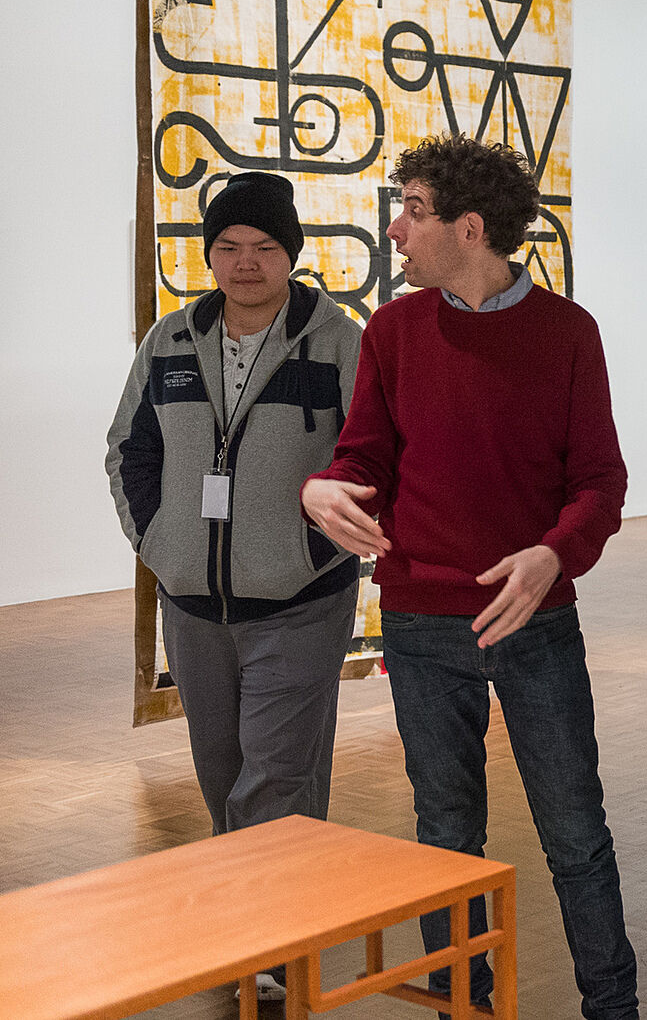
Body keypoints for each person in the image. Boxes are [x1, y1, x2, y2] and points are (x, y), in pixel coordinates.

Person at [302, 137, 637, 1020]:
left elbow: (600, 479)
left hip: (534, 618)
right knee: (445, 841)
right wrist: (323, 485)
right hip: (421, 621)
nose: (396, 229)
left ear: (470, 226)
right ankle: (466, 1007)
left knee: (576, 836)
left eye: (412, 208)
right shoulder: (394, 331)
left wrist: (555, 551)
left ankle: (614, 1007)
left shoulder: (569, 332)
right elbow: (363, 452)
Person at [105, 172, 363, 1001]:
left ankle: (274, 938)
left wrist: (318, 547)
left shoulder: (340, 342)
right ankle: (263, 911)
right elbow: (128, 450)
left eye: (263, 248)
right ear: (209, 254)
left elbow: (372, 458)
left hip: (300, 597)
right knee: (221, 770)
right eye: (228, 248)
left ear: (291, 254)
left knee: (276, 774)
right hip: (193, 602)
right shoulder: (171, 339)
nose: (245, 263)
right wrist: (159, 541)